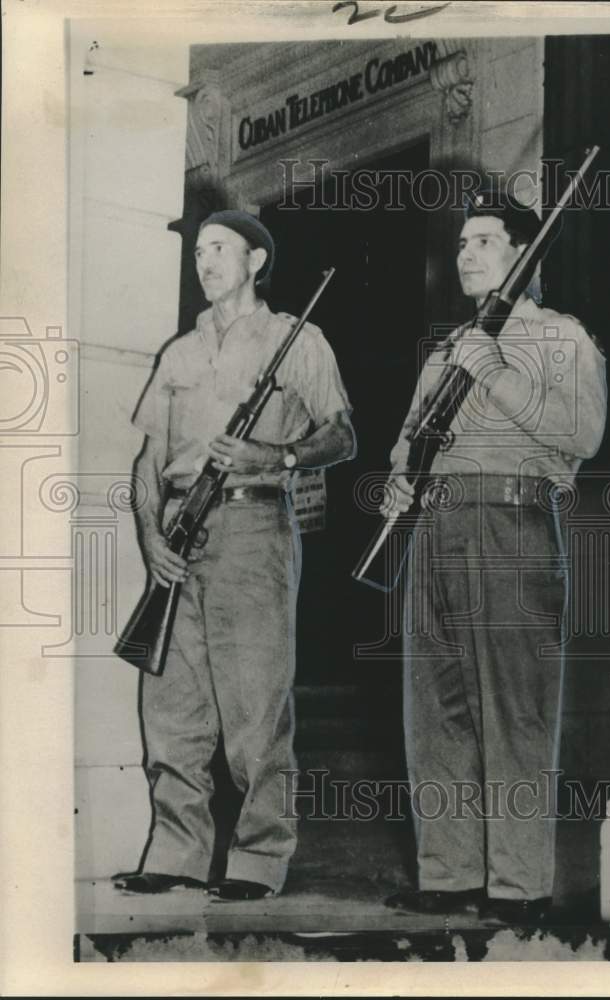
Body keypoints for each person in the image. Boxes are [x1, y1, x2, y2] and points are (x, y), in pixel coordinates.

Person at [114, 210, 355, 901]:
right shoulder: (178, 354)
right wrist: (150, 537)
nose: (205, 262)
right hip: (179, 533)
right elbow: (148, 461)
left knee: (256, 706)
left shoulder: (295, 340)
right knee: (172, 706)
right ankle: (176, 853)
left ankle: (258, 858)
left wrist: (273, 455)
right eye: (198, 252)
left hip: (254, 527)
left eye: (220, 250)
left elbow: (342, 436)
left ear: (255, 262)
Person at [381, 189, 607, 923]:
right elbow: (409, 436)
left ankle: (518, 888)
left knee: (514, 709)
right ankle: (449, 876)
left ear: (523, 255)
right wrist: (396, 478)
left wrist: (494, 371)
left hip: (509, 525)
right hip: (434, 527)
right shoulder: (448, 347)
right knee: (434, 708)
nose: (466, 255)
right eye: (461, 244)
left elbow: (581, 434)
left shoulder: (560, 337)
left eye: (483, 241)